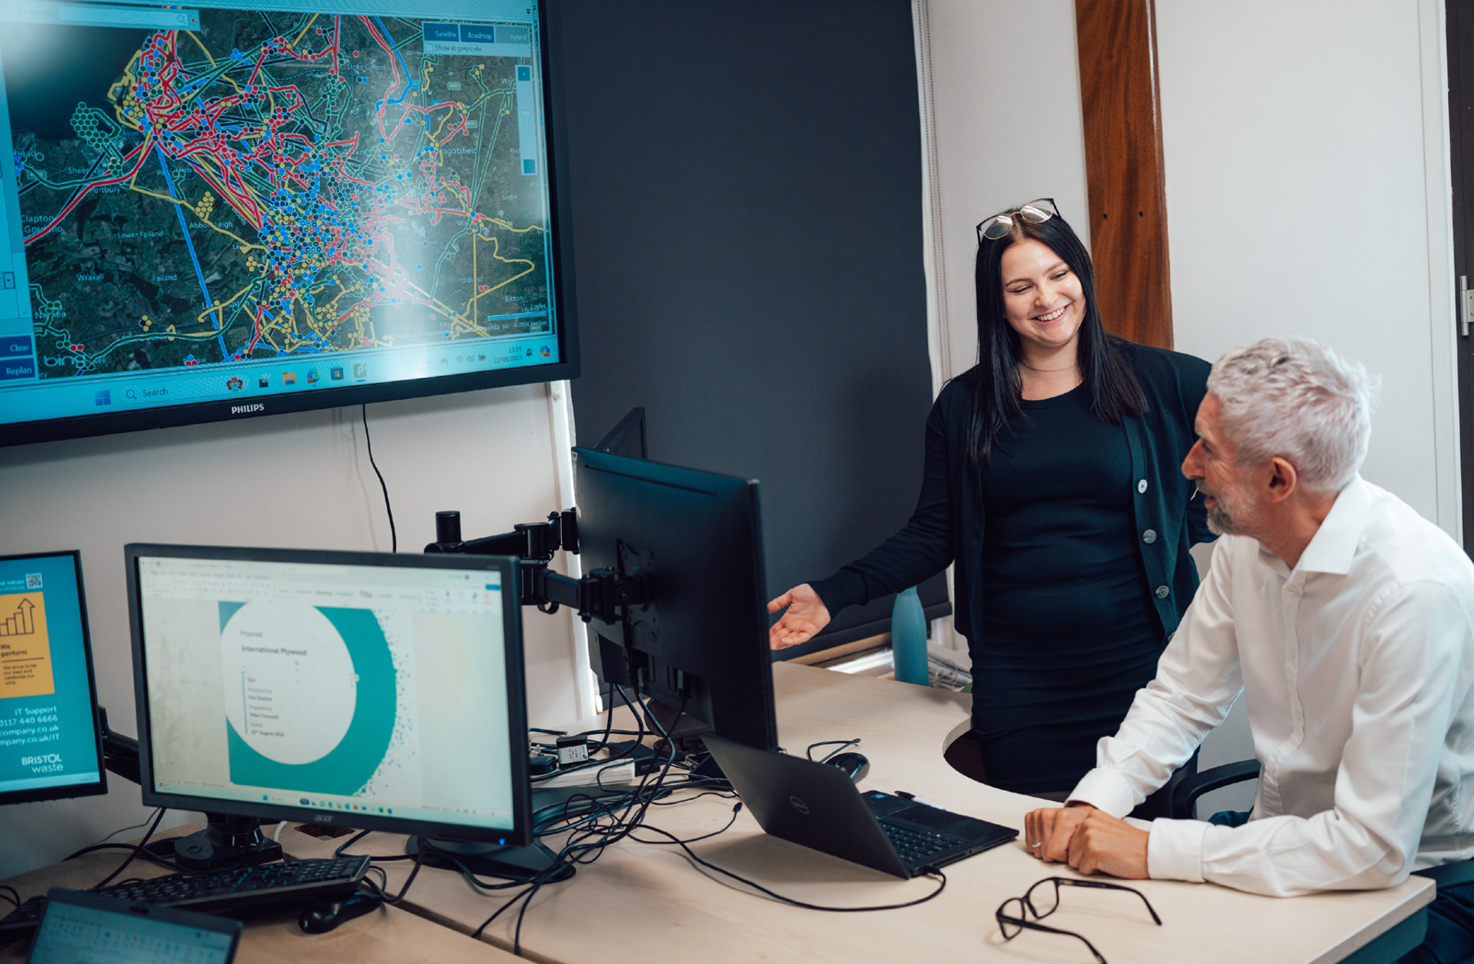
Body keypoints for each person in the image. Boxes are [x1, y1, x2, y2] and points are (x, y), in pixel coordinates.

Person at [1024, 337, 1474, 963]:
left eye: (1207, 446)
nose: (1187, 464)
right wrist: (1093, 804)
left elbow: (1372, 847)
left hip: (1419, 883)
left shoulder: (1416, 592)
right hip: (1278, 840)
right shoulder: (1246, 540)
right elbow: (1182, 696)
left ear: (1277, 478)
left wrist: (1152, 849)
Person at [768, 198, 1215, 802]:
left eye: (1059, 274)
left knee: (1145, 862)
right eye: (1021, 286)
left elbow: (1266, 436)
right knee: (1030, 858)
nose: (1047, 298)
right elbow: (935, 532)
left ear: (1081, 276)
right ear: (997, 302)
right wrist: (834, 593)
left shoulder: (1161, 380)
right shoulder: (964, 406)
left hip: (1140, 672)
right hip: (1019, 680)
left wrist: (1185, 520)